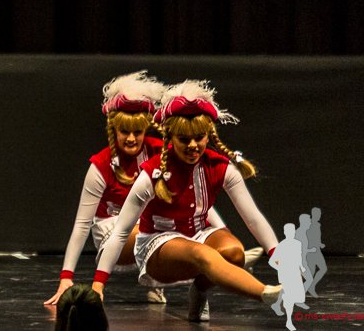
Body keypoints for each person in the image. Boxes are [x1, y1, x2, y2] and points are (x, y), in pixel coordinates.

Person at [91, 79, 282, 322]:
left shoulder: (220, 167)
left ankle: (199, 292)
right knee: (202, 254)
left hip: (198, 234)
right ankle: (266, 294)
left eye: (199, 138)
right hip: (157, 246)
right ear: (170, 138)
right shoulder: (152, 174)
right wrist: (98, 284)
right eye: (184, 139)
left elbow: (253, 218)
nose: (193, 146)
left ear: (208, 136)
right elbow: (120, 232)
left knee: (234, 252)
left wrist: (278, 256)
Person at [45, 71, 170, 306]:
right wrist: (66, 277)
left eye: (137, 132)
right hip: (111, 233)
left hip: (149, 227)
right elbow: (82, 224)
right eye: (125, 132)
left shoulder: (159, 152)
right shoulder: (101, 165)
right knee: (159, 232)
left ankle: (173, 281)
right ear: (114, 131)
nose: (131, 138)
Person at [269, 223, 307, 331]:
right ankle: (289, 321)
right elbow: (273, 261)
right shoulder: (282, 246)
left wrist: (301, 268)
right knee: (288, 297)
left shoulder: (297, 244)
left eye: (292, 231)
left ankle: (277, 305)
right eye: (288, 231)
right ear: (285, 232)